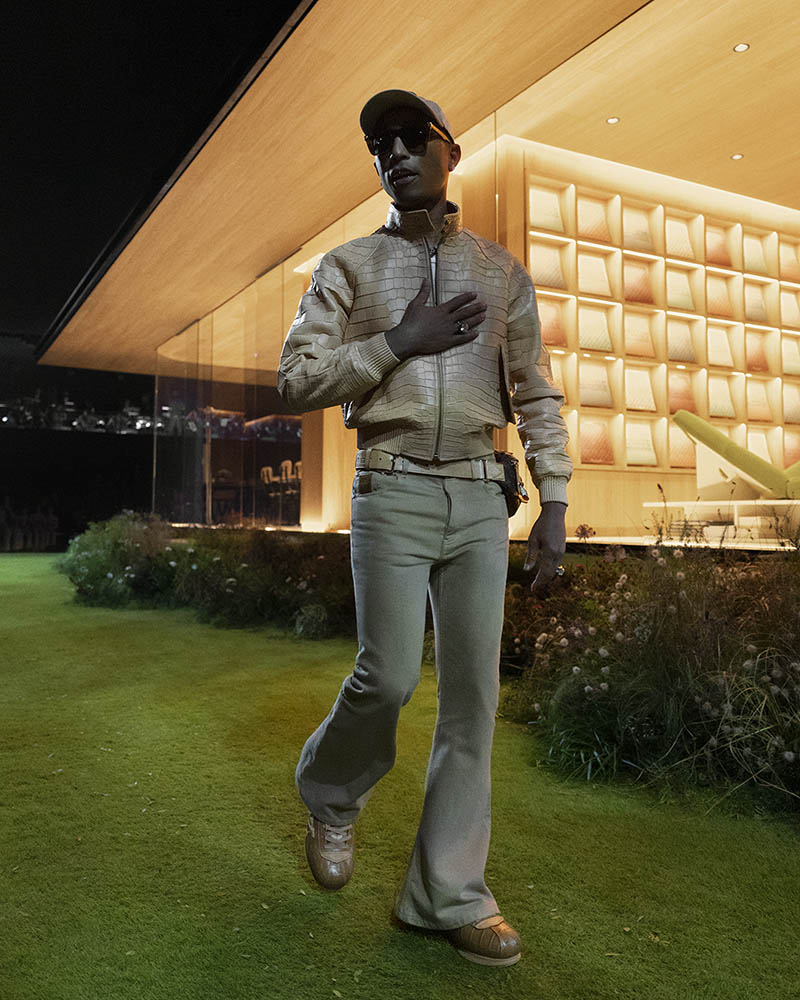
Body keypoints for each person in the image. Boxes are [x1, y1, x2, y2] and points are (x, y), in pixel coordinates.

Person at [277, 89, 572, 967]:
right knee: (389, 676)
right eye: (381, 143)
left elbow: (535, 390)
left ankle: (448, 896)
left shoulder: (501, 272)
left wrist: (554, 498)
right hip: (392, 487)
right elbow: (297, 379)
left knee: (474, 702)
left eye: (413, 136)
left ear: (451, 150)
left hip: (481, 496)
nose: (396, 152)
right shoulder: (348, 266)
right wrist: (399, 341)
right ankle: (331, 794)